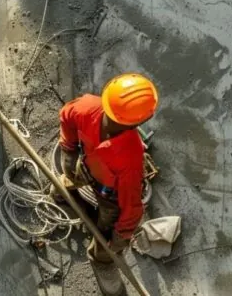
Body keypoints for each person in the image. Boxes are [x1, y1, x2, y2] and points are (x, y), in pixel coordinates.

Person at [58, 73, 158, 295]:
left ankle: (101, 256)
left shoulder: (87, 106)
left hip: (96, 180)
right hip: (96, 179)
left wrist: (69, 151)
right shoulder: (130, 155)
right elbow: (131, 206)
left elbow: (66, 115)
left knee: (70, 188)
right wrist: (120, 238)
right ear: (139, 121)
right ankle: (104, 258)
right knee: (107, 243)